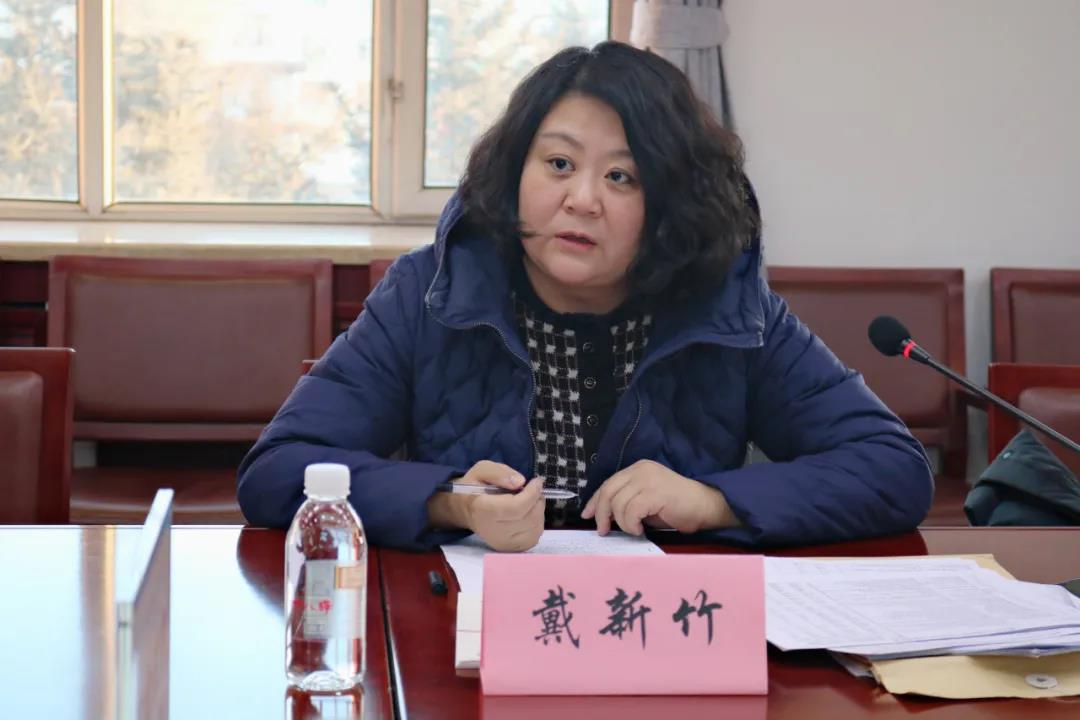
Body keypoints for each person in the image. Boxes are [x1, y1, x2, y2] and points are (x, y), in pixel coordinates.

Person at [237, 41, 933, 552]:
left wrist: (712, 500)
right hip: (465, 636)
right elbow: (276, 471)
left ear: (671, 205)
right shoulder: (431, 290)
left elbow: (893, 470)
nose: (582, 199)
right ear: (515, 172)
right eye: (559, 163)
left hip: (669, 639)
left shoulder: (726, 306)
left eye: (622, 177)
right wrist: (451, 501)